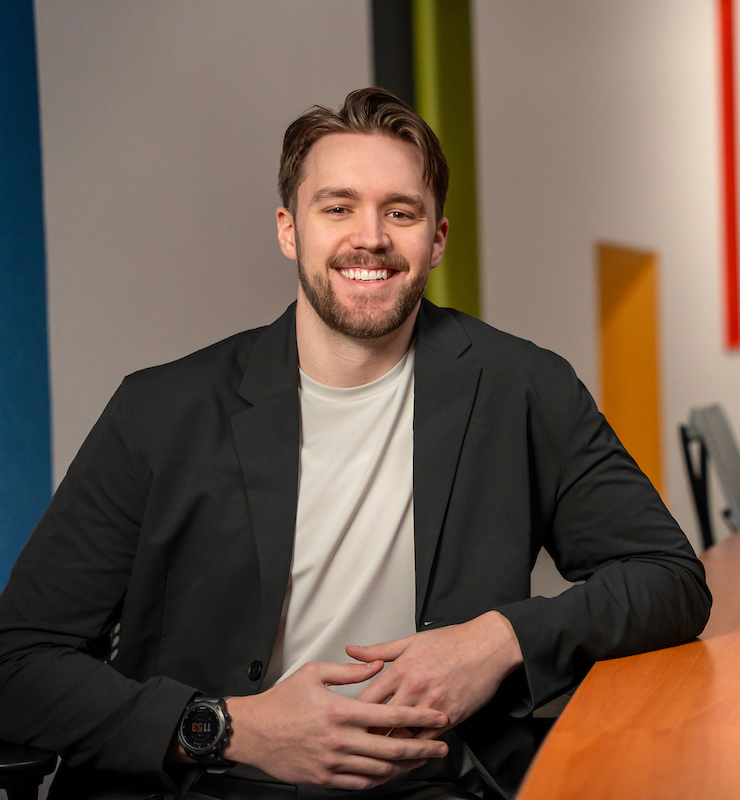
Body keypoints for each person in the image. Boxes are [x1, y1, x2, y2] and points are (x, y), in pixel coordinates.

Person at [0, 88, 711, 800]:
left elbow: (669, 579)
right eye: (337, 207)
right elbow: (18, 660)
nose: (369, 237)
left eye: (400, 212)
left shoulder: (523, 387)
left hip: (429, 787)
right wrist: (232, 727)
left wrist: (497, 640)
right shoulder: (160, 410)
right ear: (289, 230)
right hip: (205, 783)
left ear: (436, 239)